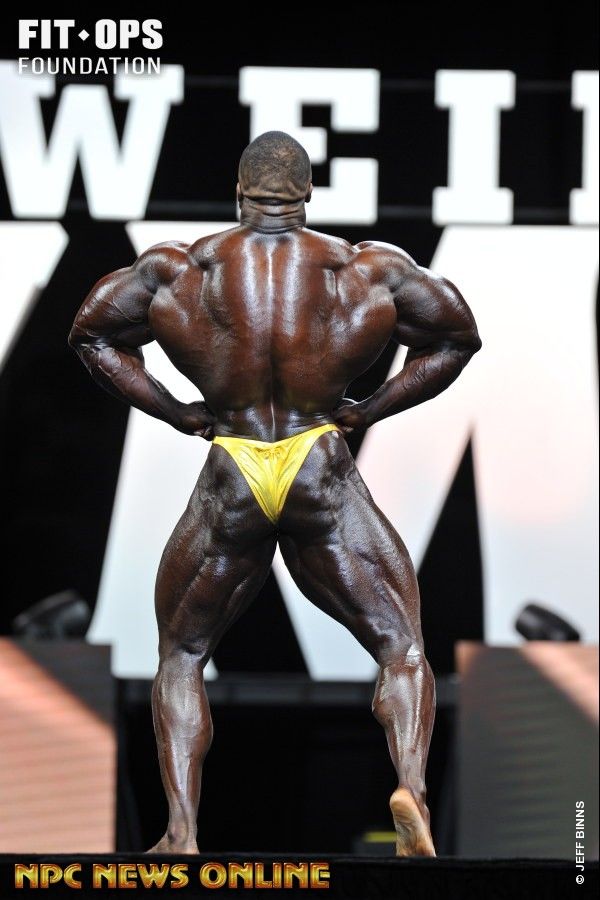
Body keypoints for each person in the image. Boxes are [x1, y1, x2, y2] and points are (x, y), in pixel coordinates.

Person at [69, 131, 481, 857]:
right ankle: (409, 791)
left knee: (183, 653)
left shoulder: (178, 269)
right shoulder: (365, 269)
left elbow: (92, 336)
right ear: (307, 195)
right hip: (317, 460)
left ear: (239, 192)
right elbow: (456, 338)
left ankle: (182, 832)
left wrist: (176, 412)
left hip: (233, 464)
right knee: (399, 645)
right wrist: (370, 409)